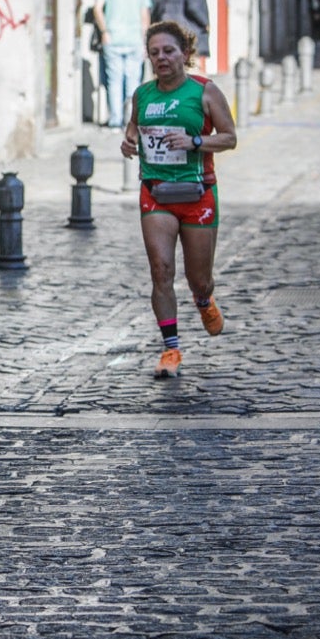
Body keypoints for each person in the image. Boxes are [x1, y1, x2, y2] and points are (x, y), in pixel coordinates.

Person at [120, 21, 237, 380]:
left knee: (198, 278)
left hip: (197, 191)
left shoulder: (204, 91)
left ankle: (204, 300)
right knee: (161, 270)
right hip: (156, 192)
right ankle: (170, 348)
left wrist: (196, 143)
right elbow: (132, 131)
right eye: (154, 53)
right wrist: (128, 144)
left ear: (185, 54)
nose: (161, 59)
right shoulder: (142, 95)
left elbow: (230, 137)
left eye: (169, 51)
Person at [91, 0, 153, 129]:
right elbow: (145, 15)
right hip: (134, 38)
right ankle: (131, 119)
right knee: (133, 80)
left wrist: (104, 31)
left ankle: (115, 120)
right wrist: (145, 38)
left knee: (114, 80)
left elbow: (97, 8)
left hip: (113, 37)